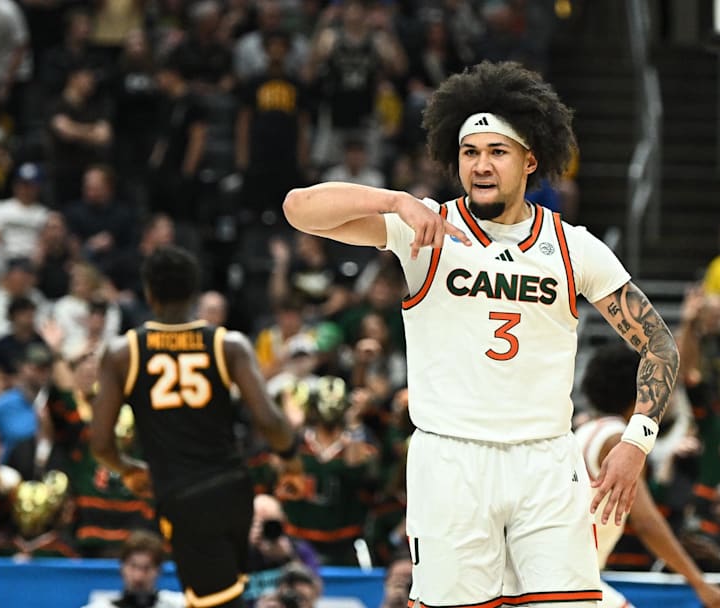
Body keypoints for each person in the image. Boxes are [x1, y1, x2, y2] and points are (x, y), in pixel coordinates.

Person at [281, 61, 680, 607]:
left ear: (530, 159)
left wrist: (636, 442)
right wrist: (395, 200)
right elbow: (298, 208)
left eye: (497, 151)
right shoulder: (423, 227)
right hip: (451, 461)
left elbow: (658, 343)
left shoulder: (573, 246)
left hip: (545, 461)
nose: (482, 165)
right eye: (470, 152)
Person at [92, 245, 299, 608]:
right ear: (194, 293)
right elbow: (269, 421)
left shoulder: (124, 352)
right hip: (234, 489)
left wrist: (128, 470)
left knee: (216, 603)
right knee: (224, 594)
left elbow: (101, 445)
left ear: (149, 293)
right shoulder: (228, 344)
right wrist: (290, 459)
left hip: (184, 495)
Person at [577, 343, 720, 608]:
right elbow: (647, 523)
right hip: (574, 577)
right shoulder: (619, 441)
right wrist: (699, 583)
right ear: (640, 392)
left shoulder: (587, 431)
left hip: (575, 572)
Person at [81, 529, 185, 608]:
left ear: (158, 570)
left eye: (147, 568)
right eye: (133, 566)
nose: (138, 576)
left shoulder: (180, 604)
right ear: (122, 567)